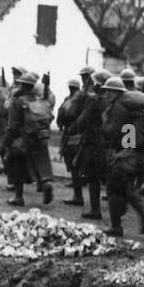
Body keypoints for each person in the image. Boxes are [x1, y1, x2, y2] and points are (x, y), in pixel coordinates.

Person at [98, 76, 144, 237]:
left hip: (124, 154)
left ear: (115, 92)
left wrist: (104, 125)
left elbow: (113, 131)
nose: (106, 95)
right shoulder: (132, 108)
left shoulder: (118, 108)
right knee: (124, 187)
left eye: (108, 92)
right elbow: (129, 134)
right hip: (135, 153)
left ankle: (119, 225)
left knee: (114, 189)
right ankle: (142, 210)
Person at [3, 70, 54, 206]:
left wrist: (6, 142)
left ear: (21, 85)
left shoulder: (18, 101)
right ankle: (46, 182)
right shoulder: (40, 100)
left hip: (22, 138)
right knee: (41, 163)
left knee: (18, 165)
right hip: (39, 136)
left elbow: (12, 125)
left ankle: (18, 197)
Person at [71, 67, 111, 219]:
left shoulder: (95, 101)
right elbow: (129, 127)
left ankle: (95, 210)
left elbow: (81, 122)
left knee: (93, 178)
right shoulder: (118, 101)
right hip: (112, 145)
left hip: (94, 143)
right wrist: (129, 147)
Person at [57, 76, 85, 204]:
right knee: (72, 161)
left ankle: (78, 195)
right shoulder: (72, 99)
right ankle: (77, 190)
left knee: (74, 162)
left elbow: (68, 113)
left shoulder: (77, 99)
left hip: (74, 133)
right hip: (71, 131)